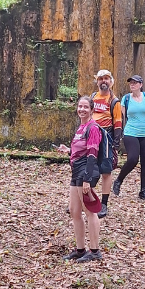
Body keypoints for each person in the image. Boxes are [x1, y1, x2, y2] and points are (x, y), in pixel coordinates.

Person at [57, 95, 103, 262]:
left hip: (85, 171)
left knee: (90, 211)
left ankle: (95, 251)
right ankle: (80, 249)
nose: (82, 109)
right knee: (75, 211)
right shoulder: (80, 128)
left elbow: (92, 154)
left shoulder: (93, 128)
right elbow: (79, 150)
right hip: (76, 170)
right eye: (80, 106)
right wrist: (68, 151)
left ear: (92, 110)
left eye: (85, 107)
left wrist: (87, 179)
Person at [112, 74, 145, 201]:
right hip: (131, 133)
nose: (132, 84)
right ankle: (118, 180)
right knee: (133, 159)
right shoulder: (126, 98)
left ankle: (143, 191)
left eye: (135, 83)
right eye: (131, 83)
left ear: (141, 85)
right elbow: (124, 115)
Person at [91, 69, 123, 219]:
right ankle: (83, 200)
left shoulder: (114, 101)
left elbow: (117, 123)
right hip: (91, 135)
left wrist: (116, 144)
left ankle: (104, 203)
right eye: (100, 79)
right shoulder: (92, 97)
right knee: (87, 167)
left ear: (111, 81)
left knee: (106, 171)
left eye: (106, 78)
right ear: (97, 81)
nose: (103, 81)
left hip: (106, 137)